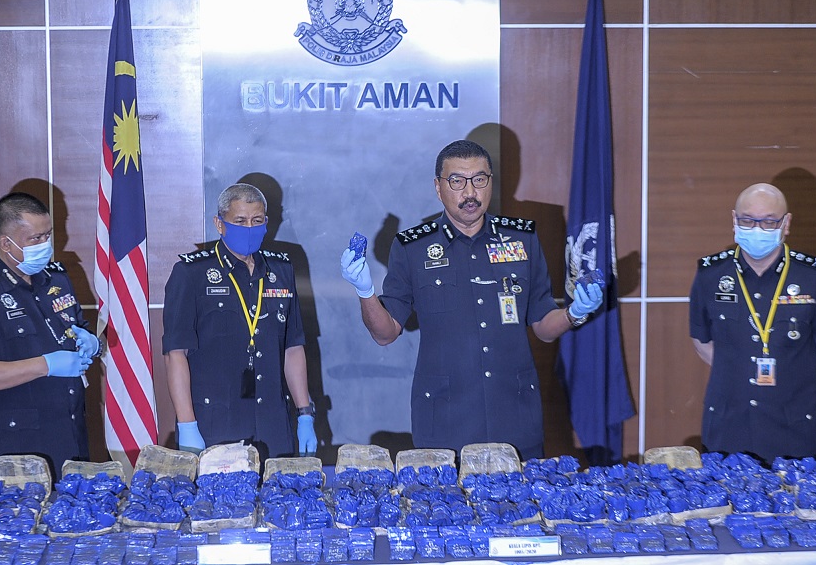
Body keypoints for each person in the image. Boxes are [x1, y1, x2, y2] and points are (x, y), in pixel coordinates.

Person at [340, 140, 604, 460]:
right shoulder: (412, 248)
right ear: (438, 188)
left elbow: (543, 325)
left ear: (490, 182)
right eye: (457, 181)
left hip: (516, 416)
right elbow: (385, 333)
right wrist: (365, 291)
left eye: (479, 180)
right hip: (445, 421)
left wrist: (574, 313)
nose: (470, 192)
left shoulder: (522, 239)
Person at [689, 182, 816, 465]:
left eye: (769, 221)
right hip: (727, 427)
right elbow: (701, 342)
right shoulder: (710, 275)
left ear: (786, 224)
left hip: (794, 429)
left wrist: (787, 374)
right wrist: (740, 368)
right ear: (734, 220)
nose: (757, 229)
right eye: (748, 220)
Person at [0, 192, 99, 478]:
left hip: (68, 430)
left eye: (48, 235)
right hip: (15, 446)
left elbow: (75, 325)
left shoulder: (57, 278)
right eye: (35, 239)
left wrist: (91, 342)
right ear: (7, 243)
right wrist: (46, 365)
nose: (46, 245)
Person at [163, 183, 316, 459]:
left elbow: (293, 346)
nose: (249, 228)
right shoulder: (192, 273)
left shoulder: (280, 270)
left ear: (267, 222)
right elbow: (176, 354)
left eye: (256, 221)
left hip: (272, 422)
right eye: (240, 221)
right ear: (219, 224)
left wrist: (304, 413)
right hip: (216, 423)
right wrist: (187, 425)